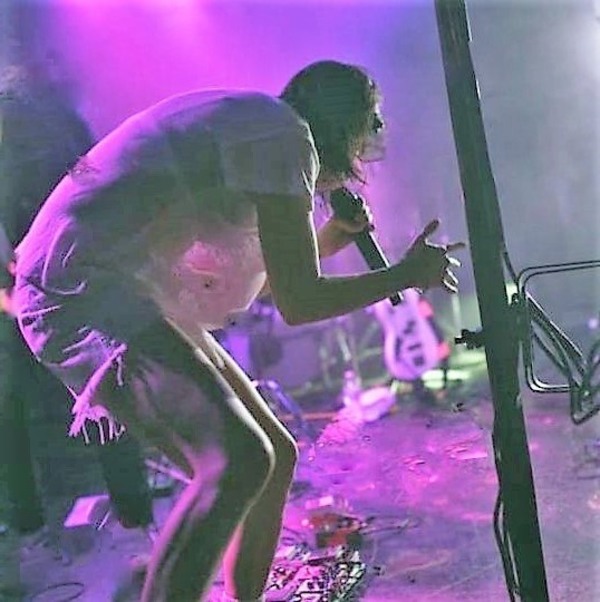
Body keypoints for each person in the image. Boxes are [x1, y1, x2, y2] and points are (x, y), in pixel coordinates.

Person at [12, 60, 464, 602]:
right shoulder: (284, 138)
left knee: (273, 457)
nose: (373, 142)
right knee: (239, 458)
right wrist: (404, 276)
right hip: (77, 288)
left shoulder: (262, 135)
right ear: (344, 123)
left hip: (113, 286)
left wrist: (334, 237)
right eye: (371, 123)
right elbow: (300, 302)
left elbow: (271, 286)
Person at [0, 57, 153, 536]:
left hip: (72, 274)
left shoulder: (58, 127)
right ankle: (30, 520)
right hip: (33, 282)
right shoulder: (53, 127)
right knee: (16, 403)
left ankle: (132, 515)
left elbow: (94, 181)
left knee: (105, 390)